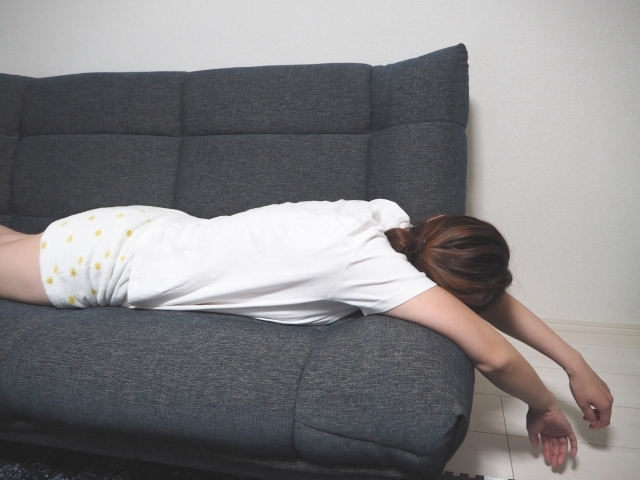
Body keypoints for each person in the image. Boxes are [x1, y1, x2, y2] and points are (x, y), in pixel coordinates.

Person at [0, 199, 613, 468]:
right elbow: (493, 355)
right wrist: (543, 405)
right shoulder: (375, 272)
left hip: (134, 227)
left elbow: (484, 296)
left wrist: (576, 364)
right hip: (103, 263)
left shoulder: (388, 221)